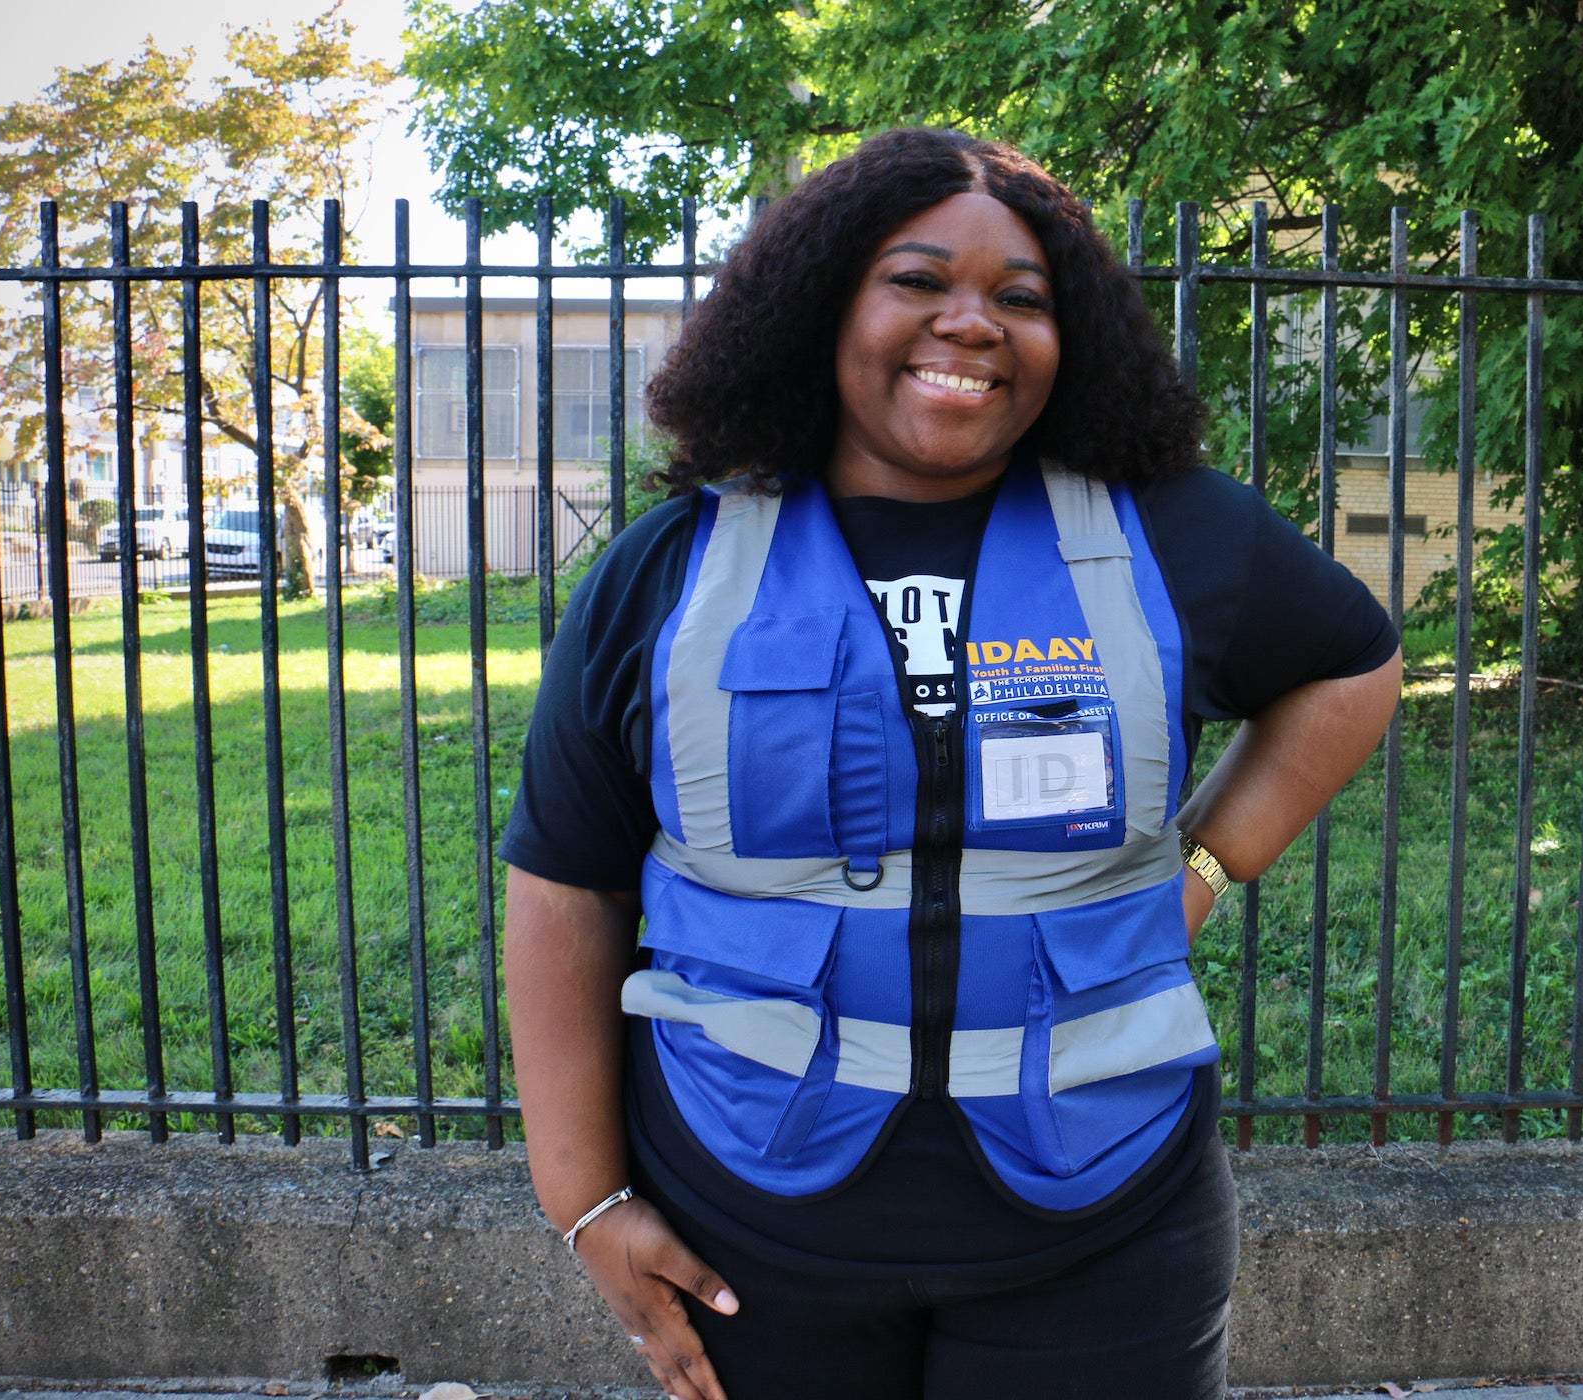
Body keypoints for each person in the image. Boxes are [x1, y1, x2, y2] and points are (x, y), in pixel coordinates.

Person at [499, 127, 1403, 1400]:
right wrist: (585, 1201)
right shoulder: (673, 569)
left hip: (1106, 1222)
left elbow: (1355, 668)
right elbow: (563, 879)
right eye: (917, 281)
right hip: (749, 1225)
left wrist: (1203, 860)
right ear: (823, 310)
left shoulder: (1175, 535)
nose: (971, 323)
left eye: (1020, 297)